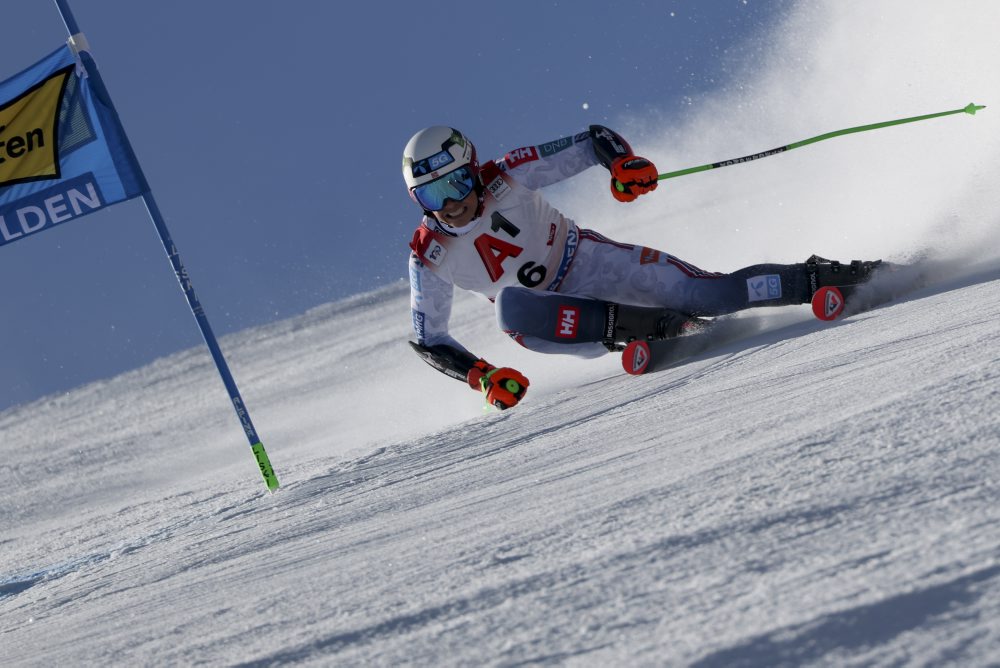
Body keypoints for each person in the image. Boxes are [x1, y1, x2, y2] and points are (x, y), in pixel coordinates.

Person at [404, 125, 881, 410]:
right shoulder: (429, 254)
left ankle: (826, 278)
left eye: (457, 183)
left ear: (473, 166)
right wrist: (482, 375)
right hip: (556, 319)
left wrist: (622, 164)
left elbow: (593, 140)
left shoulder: (508, 173)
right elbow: (430, 338)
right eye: (432, 196)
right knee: (510, 307)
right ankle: (650, 328)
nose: (451, 204)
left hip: (591, 262)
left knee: (709, 295)